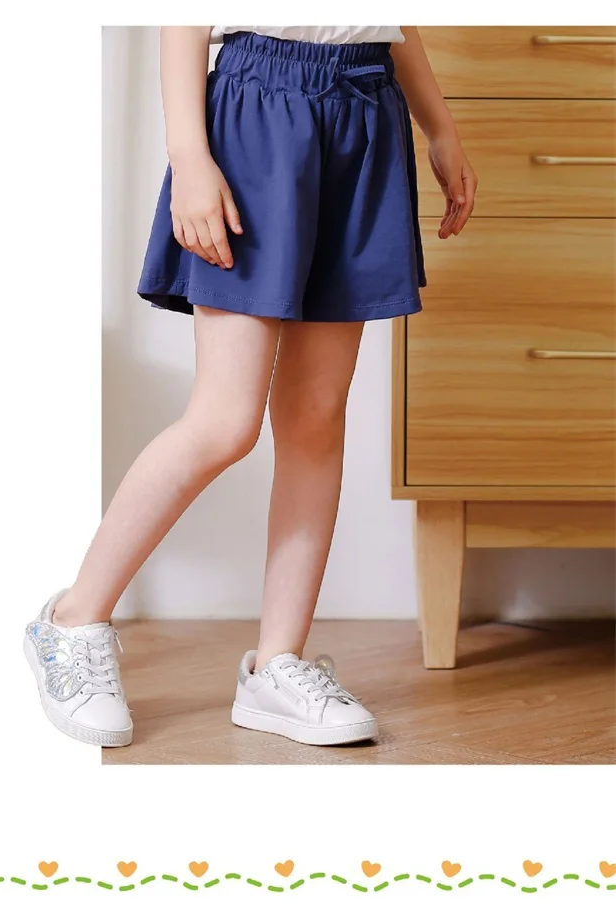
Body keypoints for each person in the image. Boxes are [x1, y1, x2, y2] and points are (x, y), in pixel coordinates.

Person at [24, 26, 477, 748]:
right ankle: (72, 620)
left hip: (365, 112)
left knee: (316, 418)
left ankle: (277, 664)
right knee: (224, 421)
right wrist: (189, 154)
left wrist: (440, 126)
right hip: (259, 109)